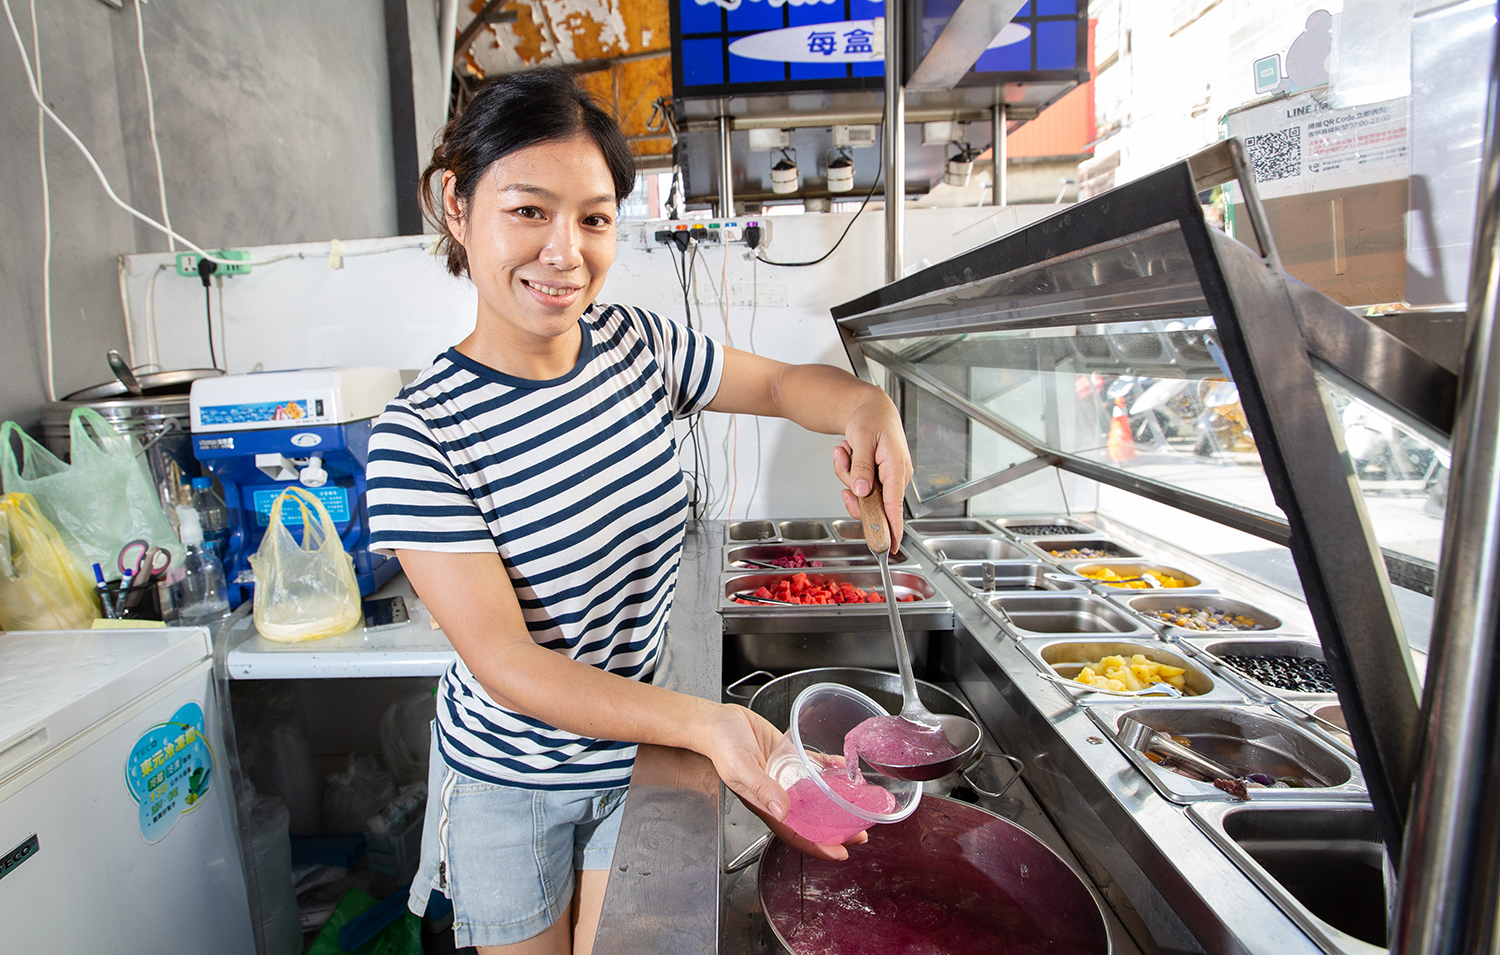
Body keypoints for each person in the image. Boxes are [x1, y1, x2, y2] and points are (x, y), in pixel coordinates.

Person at [365, 67, 912, 955]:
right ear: (457, 209)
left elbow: (779, 382)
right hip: (510, 781)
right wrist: (712, 726)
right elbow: (507, 660)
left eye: (593, 217)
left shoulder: (636, 347)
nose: (565, 251)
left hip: (637, 756)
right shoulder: (422, 433)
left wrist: (864, 409)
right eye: (529, 211)